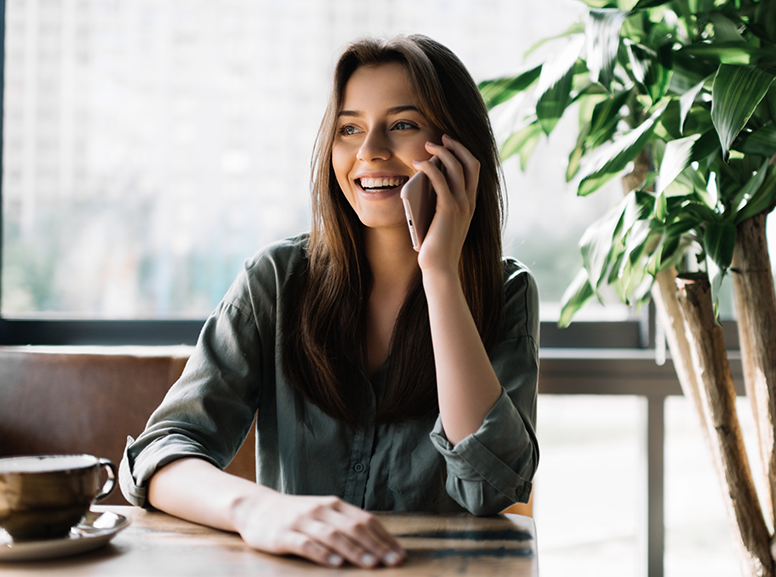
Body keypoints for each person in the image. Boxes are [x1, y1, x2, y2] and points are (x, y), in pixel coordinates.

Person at [119, 34, 539, 570]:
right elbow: (160, 453)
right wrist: (258, 509)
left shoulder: (506, 292)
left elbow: (489, 486)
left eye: (403, 124)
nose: (369, 152)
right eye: (350, 128)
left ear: (456, 147)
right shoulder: (276, 279)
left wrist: (440, 272)